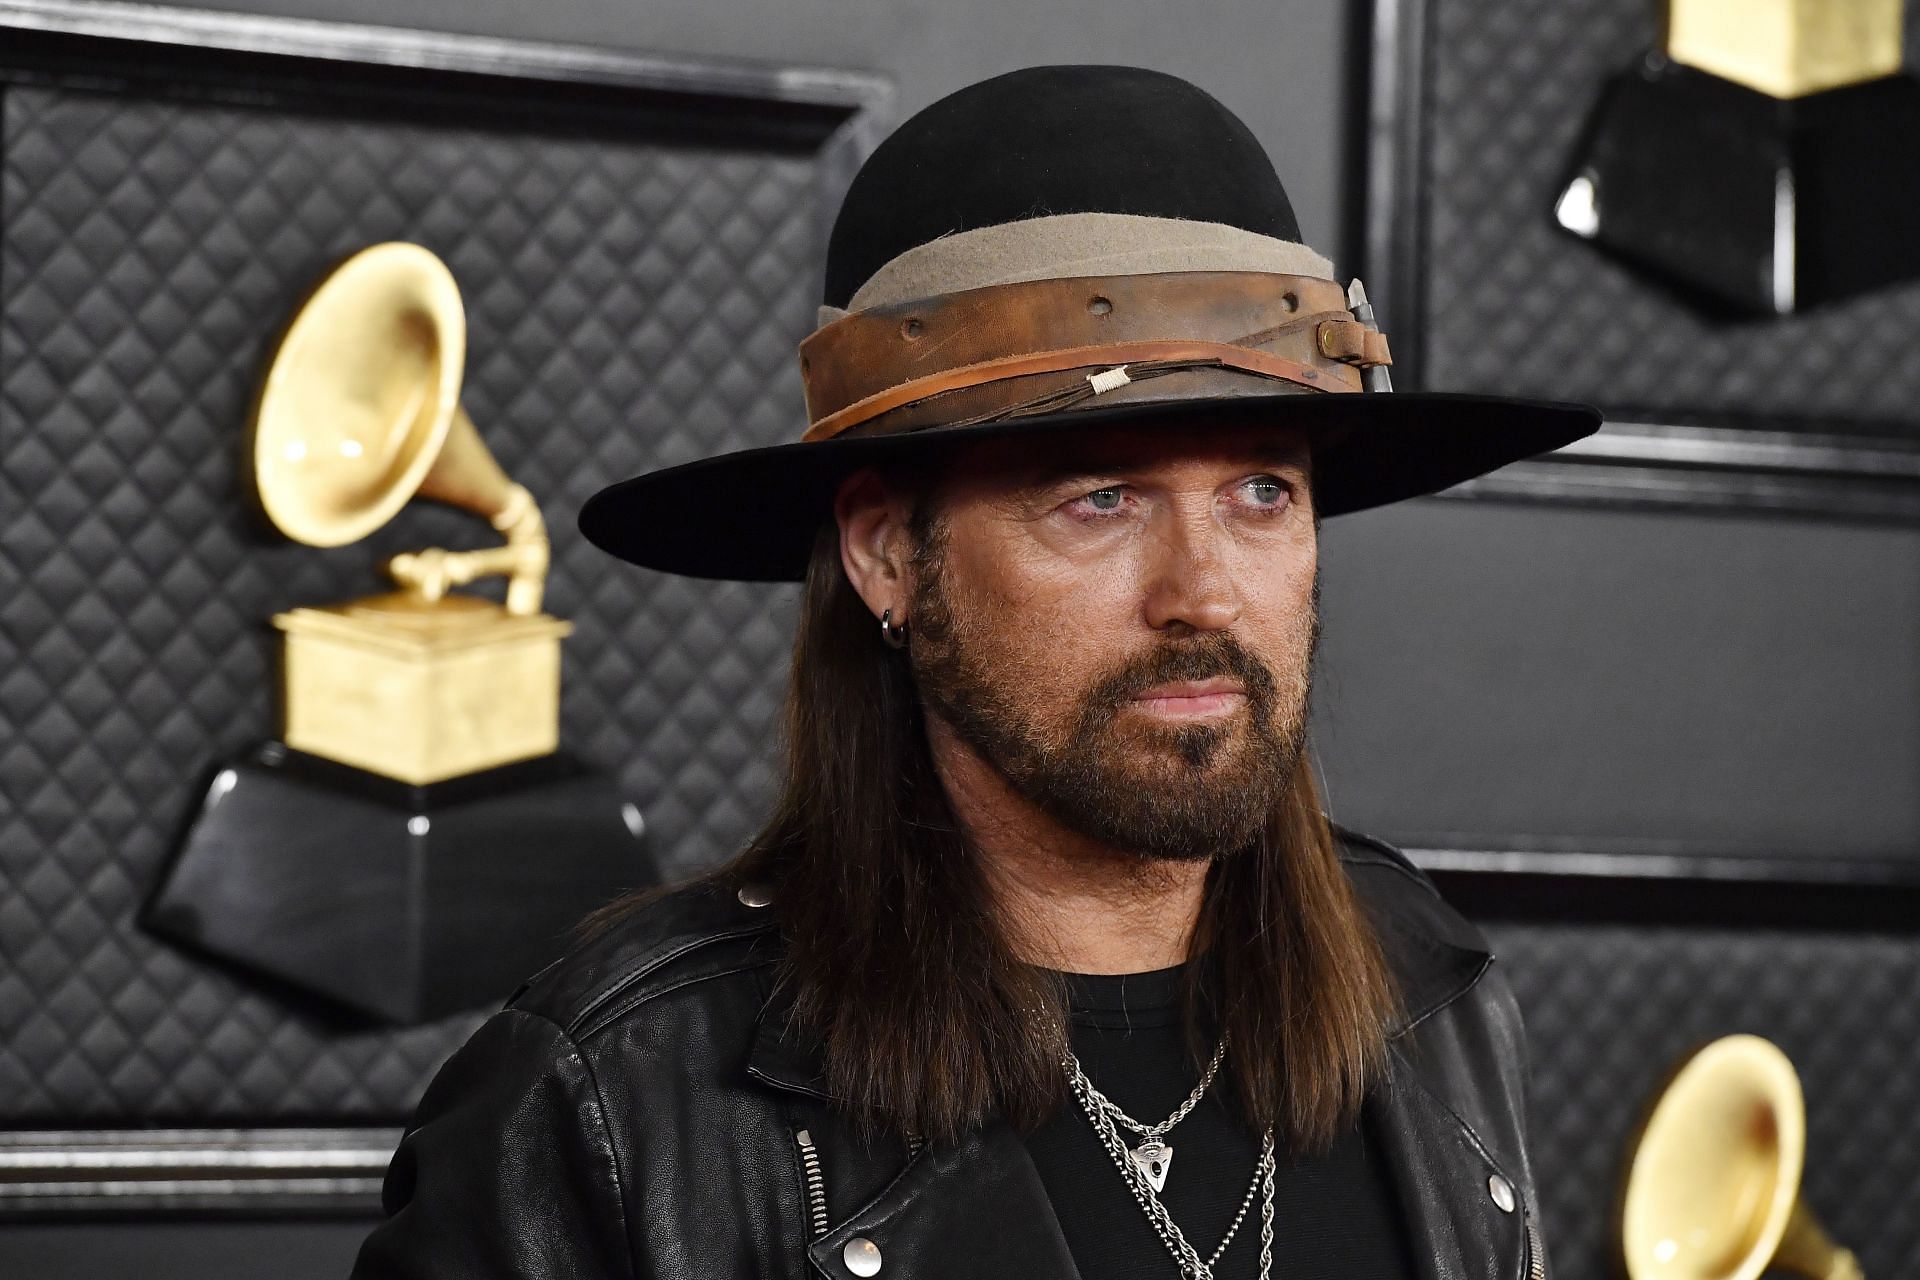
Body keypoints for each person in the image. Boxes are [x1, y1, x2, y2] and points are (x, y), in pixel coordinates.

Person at [351, 64, 1597, 1280]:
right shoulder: (612, 1098)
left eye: (1263, 491)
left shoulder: (1424, 989)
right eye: (1101, 499)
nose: (1206, 592)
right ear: (888, 552)